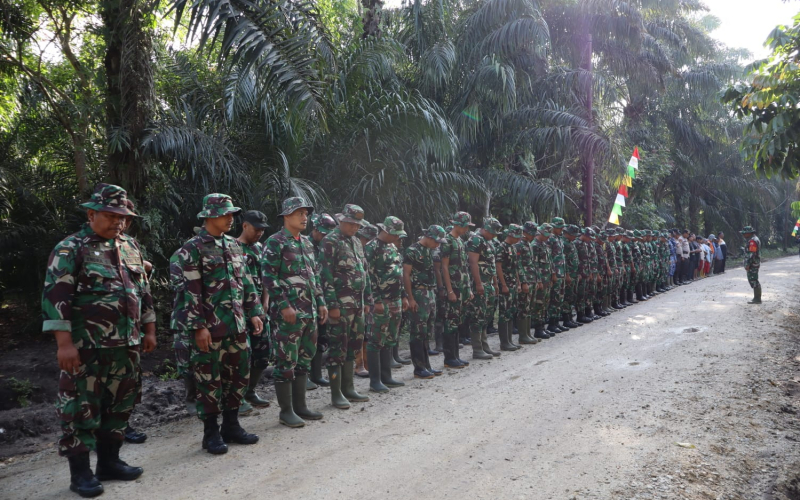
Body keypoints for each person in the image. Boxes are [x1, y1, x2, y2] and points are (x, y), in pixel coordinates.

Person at [43, 183, 156, 497]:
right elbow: (56, 297)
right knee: (80, 408)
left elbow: (142, 292)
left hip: (126, 346)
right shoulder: (71, 248)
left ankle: (110, 463)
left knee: (119, 406)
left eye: (123, 217)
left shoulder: (131, 246)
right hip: (86, 348)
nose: (118, 222)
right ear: (91, 214)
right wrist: (64, 344)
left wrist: (149, 330)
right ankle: (81, 475)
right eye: (110, 215)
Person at [175, 194, 264, 454]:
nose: (230, 218)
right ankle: (211, 433)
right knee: (208, 381)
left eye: (232, 214)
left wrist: (255, 311)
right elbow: (189, 292)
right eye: (226, 214)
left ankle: (232, 426)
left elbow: (246, 281)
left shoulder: (234, 246)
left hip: (236, 327)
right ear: (210, 216)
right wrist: (198, 327)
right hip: (210, 330)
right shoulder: (192, 248)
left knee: (238, 378)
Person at [262, 197, 329, 426]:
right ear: (286, 216)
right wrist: (283, 305)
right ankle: (286, 411)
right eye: (299, 213)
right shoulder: (275, 242)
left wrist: (320, 302)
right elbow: (269, 277)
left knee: (304, 359)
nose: (304, 217)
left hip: (309, 312)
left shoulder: (308, 243)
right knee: (285, 361)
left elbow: (314, 276)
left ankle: (301, 406)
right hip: (288, 314)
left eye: (306, 213)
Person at [319, 204, 374, 408]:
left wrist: (367, 299)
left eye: (357, 225)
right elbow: (325, 274)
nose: (354, 228)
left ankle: (348, 388)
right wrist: (332, 304)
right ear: (342, 221)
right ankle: (336, 394)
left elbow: (364, 271)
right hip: (340, 306)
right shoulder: (330, 241)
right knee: (337, 349)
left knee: (353, 346)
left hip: (357, 305)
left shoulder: (356, 242)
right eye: (351, 224)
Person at [364, 216, 408, 391]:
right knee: (376, 339)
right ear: (386, 231)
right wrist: (376, 300)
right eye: (395, 234)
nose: (397, 238)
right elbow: (368, 276)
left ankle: (387, 376)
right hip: (380, 301)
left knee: (390, 336)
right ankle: (375, 381)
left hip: (395, 299)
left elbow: (398, 272)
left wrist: (404, 295)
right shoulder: (371, 247)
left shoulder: (392, 246)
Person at [236, 210, 271, 415]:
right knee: (241, 356)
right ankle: (236, 397)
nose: (259, 233)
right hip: (239, 310)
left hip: (259, 309)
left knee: (262, 354)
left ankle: (250, 391)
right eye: (256, 229)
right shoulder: (233, 248)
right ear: (245, 226)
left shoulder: (259, 248)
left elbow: (265, 277)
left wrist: (265, 303)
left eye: (262, 230)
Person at [404, 225, 448, 378]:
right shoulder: (412, 250)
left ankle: (426, 365)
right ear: (429, 237)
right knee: (417, 331)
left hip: (430, 292)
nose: (438, 245)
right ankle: (419, 367)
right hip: (418, 293)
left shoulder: (429, 251)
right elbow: (406, 275)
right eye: (436, 241)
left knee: (426, 331)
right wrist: (410, 298)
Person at [440, 212, 475, 366]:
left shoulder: (460, 241)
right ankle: (449, 357)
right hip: (453, 288)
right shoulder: (447, 241)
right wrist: (449, 290)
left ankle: (455, 355)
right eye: (466, 225)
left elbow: (464, 268)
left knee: (458, 321)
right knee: (450, 323)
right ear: (458, 225)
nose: (467, 229)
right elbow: (444, 267)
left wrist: (468, 289)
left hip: (462, 288)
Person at [308, 213, 339, 387]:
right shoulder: (304, 245)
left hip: (324, 297)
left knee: (322, 335)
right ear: (314, 229)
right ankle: (302, 376)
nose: (325, 236)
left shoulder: (328, 246)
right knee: (305, 338)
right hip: (306, 298)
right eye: (322, 233)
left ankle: (316, 374)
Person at [466, 217, 503, 359]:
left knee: (485, 315)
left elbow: (491, 264)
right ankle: (477, 349)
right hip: (479, 284)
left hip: (488, 283)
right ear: (485, 229)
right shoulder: (475, 240)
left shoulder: (487, 241)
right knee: (477, 315)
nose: (494, 236)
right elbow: (473, 263)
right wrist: (478, 283)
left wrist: (494, 282)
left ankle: (484, 345)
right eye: (492, 233)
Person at [355, 223, 379, 377]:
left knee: (367, 331)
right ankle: (358, 365)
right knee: (359, 332)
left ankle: (364, 363)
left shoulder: (364, 250)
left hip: (366, 295)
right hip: (353, 298)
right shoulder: (358, 248)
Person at [496, 224, 523, 351]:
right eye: (517, 236)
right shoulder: (502, 247)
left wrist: (518, 283)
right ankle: (504, 342)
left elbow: (515, 267)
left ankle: (510, 341)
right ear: (511, 235)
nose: (519, 239)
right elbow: (498, 266)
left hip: (513, 283)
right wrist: (503, 284)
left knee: (511, 311)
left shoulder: (512, 247)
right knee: (504, 312)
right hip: (506, 283)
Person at [531, 223, 555, 339]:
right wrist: (539, 280)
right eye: (546, 235)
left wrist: (551, 276)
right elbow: (534, 265)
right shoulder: (535, 245)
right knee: (539, 305)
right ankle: (538, 329)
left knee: (545, 303)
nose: (548, 237)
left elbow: (549, 262)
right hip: (540, 280)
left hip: (546, 279)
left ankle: (543, 327)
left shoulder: (544, 244)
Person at [546, 217, 568, 333]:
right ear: (554, 227)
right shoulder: (549, 239)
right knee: (554, 299)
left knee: (560, 299)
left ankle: (556, 323)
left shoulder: (559, 238)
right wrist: (553, 273)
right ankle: (551, 324)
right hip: (555, 273)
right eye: (559, 228)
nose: (561, 230)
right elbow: (549, 257)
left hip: (561, 272)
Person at [741, 226, 762, 304]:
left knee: (753, 279)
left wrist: (748, 264)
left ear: (749, 233)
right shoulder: (754, 239)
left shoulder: (752, 241)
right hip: (754, 262)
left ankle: (757, 298)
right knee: (753, 279)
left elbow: (752, 254)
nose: (743, 235)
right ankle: (757, 297)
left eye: (744, 233)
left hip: (753, 263)